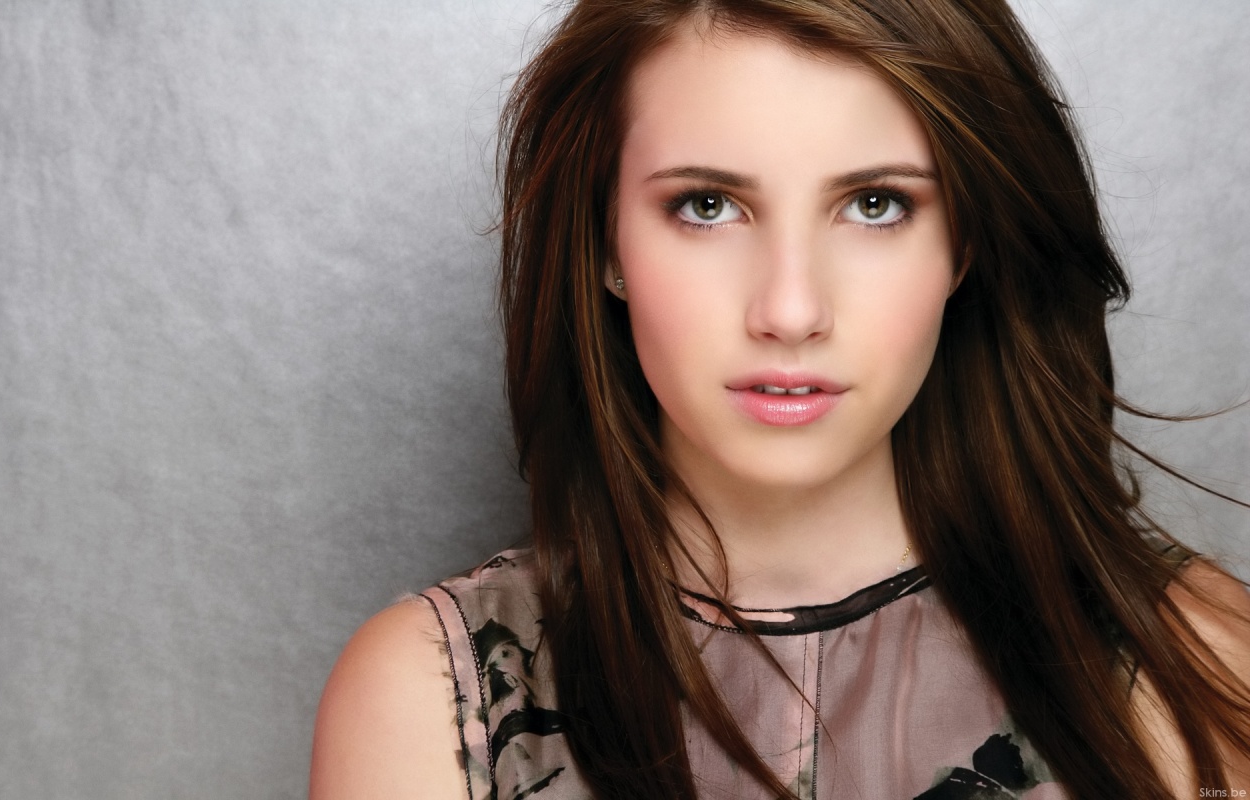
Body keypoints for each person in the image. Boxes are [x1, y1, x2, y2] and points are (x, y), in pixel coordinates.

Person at [309, 1, 1250, 798]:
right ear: (603, 242)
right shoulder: (436, 703)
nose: (791, 311)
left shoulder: (1196, 670)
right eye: (707, 205)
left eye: (875, 204)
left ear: (966, 243)